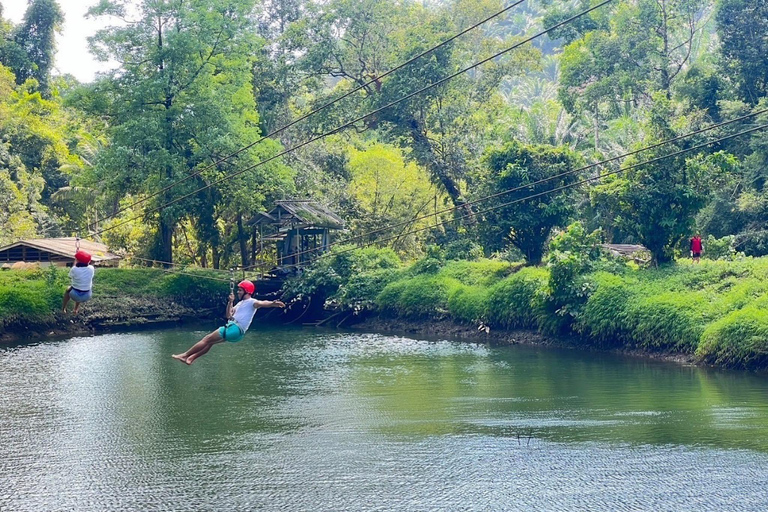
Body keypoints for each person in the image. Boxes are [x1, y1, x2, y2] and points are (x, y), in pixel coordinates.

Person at [172, 280, 285, 365]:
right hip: (237, 333)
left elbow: (262, 303)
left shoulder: (252, 302)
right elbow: (228, 315)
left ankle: (185, 355)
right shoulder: (240, 304)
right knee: (209, 343)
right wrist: (230, 302)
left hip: (234, 329)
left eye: (240, 290)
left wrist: (272, 303)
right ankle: (191, 359)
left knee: (206, 339)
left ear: (247, 291)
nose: (238, 292)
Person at [62, 250, 95, 314]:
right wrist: (77, 259)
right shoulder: (91, 268)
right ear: (89, 261)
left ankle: (64, 308)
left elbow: (70, 276)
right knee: (81, 287)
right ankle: (75, 309)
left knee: (68, 290)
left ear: (77, 260)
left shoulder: (74, 269)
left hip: (74, 295)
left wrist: (76, 260)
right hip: (87, 295)